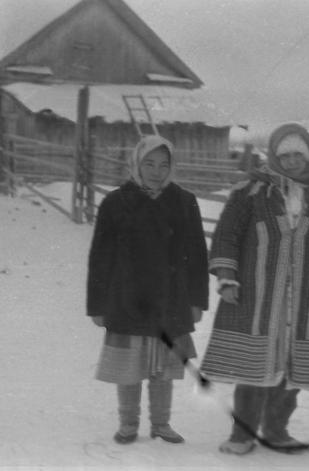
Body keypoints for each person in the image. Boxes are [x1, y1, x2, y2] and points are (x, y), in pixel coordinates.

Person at [200, 123, 309, 455]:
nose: (291, 161)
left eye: (297, 155)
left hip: (308, 299)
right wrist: (226, 276)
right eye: (284, 155)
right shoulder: (252, 190)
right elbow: (228, 234)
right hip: (256, 294)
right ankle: (242, 435)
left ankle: (276, 430)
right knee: (252, 366)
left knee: (292, 369)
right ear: (274, 155)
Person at [86, 134, 209, 445]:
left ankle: (161, 424)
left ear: (171, 167)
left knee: (163, 367)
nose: (156, 171)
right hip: (126, 298)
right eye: (149, 164)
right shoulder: (116, 202)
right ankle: (128, 424)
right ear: (137, 164)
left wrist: (197, 300)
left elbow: (196, 254)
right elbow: (100, 256)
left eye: (163, 165)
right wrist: (97, 305)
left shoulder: (183, 201)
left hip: (171, 300)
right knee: (129, 366)